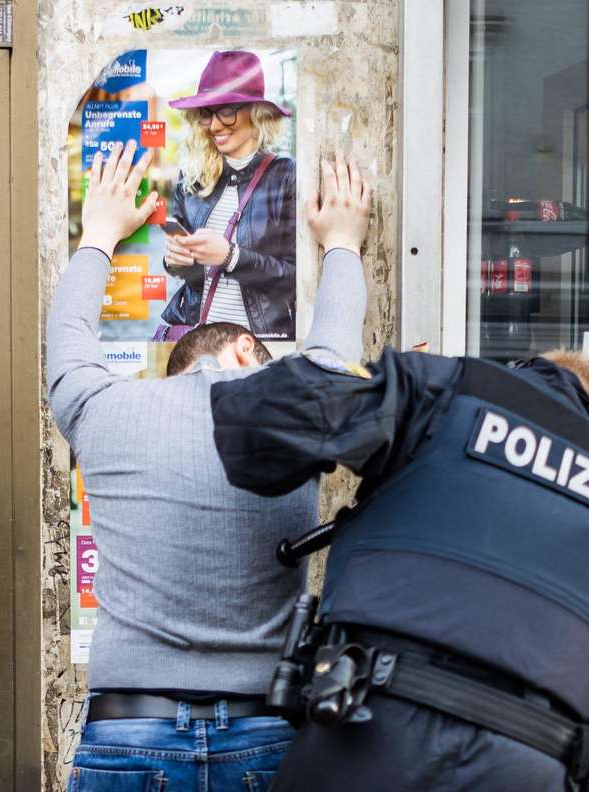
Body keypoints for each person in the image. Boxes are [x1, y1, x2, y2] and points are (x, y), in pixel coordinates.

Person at [48, 138, 371, 791]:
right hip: (263, 732)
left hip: (126, 732)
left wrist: (100, 234)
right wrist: (342, 241)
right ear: (247, 350)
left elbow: (66, 346)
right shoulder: (295, 413)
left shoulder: (109, 412)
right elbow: (335, 352)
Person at [209, 347, 589, 791]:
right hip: (528, 765)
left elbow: (269, 412)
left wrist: (380, 388)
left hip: (367, 726)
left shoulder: (445, 390)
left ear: (524, 371)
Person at [155, 50, 296, 342]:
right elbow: (190, 276)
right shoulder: (192, 177)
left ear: (256, 112)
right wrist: (176, 259)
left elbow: (298, 280)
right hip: (198, 342)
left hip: (258, 346)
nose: (215, 125)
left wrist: (232, 257)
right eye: (207, 113)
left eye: (227, 111)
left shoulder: (286, 177)